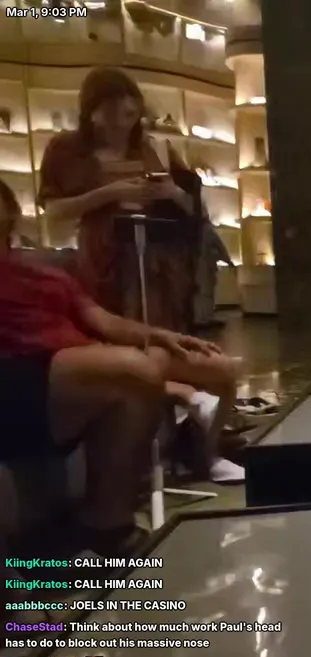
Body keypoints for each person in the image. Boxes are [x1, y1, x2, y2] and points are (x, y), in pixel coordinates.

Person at [0, 178, 240, 554]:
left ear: (11, 213)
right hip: (19, 374)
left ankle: (194, 462)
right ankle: (104, 525)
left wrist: (159, 335)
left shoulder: (45, 274)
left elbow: (104, 320)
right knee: (134, 371)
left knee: (199, 366)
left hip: (71, 366)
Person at [38, 66, 201, 333]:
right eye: (112, 108)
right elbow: (54, 212)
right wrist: (111, 193)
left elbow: (195, 208)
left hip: (158, 262)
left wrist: (172, 192)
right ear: (92, 112)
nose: (123, 116)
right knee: (108, 329)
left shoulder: (155, 149)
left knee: (160, 333)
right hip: (101, 259)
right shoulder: (67, 150)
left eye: (129, 109)